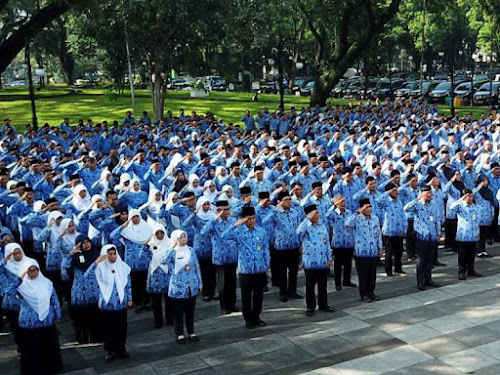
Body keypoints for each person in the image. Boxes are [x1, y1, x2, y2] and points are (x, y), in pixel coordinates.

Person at [222, 206, 269, 329]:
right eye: (248, 219)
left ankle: (257, 317)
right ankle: (248, 319)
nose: (251, 221)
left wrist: (266, 264)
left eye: (253, 218)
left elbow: (265, 249)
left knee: (259, 296)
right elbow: (224, 236)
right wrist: (236, 224)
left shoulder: (261, 231)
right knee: (246, 296)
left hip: (259, 268)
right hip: (246, 270)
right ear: (244, 219)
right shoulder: (239, 232)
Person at [17, 263, 62, 375]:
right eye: (29, 271)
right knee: (31, 349)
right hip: (29, 324)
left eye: (35, 270)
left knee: (47, 348)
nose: (32, 273)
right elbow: (8, 292)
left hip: (46, 322)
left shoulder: (46, 283)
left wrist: (57, 314)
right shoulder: (21, 285)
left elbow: (54, 299)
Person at [90, 244, 132, 362]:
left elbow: (128, 284)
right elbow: (87, 275)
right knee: (108, 329)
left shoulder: (122, 267)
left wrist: (129, 298)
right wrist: (97, 262)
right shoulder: (100, 268)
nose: (113, 256)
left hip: (120, 304)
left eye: (114, 254)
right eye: (109, 254)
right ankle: (110, 350)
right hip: (107, 305)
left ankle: (121, 349)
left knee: (121, 327)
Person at [201, 200, 239, 314]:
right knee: (223, 283)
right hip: (220, 258)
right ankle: (224, 307)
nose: (227, 211)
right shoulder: (214, 222)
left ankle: (232, 305)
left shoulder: (232, 221)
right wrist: (214, 219)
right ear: (218, 211)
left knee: (232, 282)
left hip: (232, 255)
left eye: (228, 209)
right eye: (224, 209)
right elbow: (203, 232)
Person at [111, 209, 152, 312]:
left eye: (137, 216)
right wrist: (122, 226)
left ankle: (147, 302)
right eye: (133, 217)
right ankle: (138, 303)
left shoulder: (146, 228)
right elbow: (113, 236)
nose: (136, 219)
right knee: (135, 284)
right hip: (131, 263)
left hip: (145, 261)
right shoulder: (126, 231)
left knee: (145, 282)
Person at [297, 204, 334, 316]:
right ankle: (310, 306)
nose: (317, 215)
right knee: (310, 286)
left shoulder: (322, 226)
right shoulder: (305, 226)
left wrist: (329, 258)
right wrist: (307, 219)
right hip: (310, 262)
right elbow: (298, 233)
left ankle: (323, 304)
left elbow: (327, 243)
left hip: (322, 261)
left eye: (317, 213)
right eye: (314, 213)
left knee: (323, 285)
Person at [62, 234, 100, 344]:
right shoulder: (74, 258)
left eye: (87, 241)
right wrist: (71, 253)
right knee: (81, 319)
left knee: (95, 317)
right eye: (83, 243)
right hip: (80, 294)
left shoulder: (96, 254)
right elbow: (64, 269)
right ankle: (82, 339)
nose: (86, 244)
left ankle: (96, 337)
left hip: (94, 292)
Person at [166, 230, 202, 344]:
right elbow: (163, 261)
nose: (184, 239)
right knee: (178, 313)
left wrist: (199, 283)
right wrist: (172, 248)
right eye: (181, 237)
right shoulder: (172, 252)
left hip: (191, 286)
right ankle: (180, 334)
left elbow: (196, 266)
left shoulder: (191, 250)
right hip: (178, 287)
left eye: (184, 237)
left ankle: (191, 332)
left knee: (190, 312)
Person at [404, 185, 441, 290]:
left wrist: (438, 233)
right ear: (422, 194)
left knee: (429, 260)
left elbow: (437, 220)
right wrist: (416, 199)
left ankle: (428, 279)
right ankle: (420, 281)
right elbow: (406, 209)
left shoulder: (434, 205)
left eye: (430, 193)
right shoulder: (417, 205)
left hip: (432, 235)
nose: (429, 195)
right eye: (427, 193)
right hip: (421, 236)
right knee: (421, 260)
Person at [346, 198, 383, 302]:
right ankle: (364, 294)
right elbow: (347, 223)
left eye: (369, 207)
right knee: (363, 275)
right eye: (366, 207)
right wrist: (357, 212)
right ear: (361, 208)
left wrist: (380, 247)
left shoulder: (375, 218)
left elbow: (378, 234)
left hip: (373, 251)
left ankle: (371, 292)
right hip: (361, 251)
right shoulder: (357, 218)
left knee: (372, 274)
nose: (368, 209)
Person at [449, 188, 482, 280]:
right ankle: (462, 271)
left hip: (473, 235)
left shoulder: (474, 206)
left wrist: (478, 232)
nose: (471, 198)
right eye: (468, 196)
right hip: (463, 235)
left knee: (471, 255)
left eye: (472, 196)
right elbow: (451, 207)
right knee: (462, 255)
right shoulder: (460, 206)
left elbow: (477, 221)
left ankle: (471, 270)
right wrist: (461, 199)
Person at [146, 223, 174, 328]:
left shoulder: (170, 243)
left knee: (169, 300)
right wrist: (147, 243)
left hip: (166, 274)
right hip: (155, 276)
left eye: (161, 233)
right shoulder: (150, 244)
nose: (159, 235)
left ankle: (170, 319)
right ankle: (158, 321)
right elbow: (142, 254)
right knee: (156, 301)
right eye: (157, 233)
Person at [326, 195, 356, 291]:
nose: (342, 204)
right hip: (338, 243)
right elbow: (326, 216)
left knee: (348, 263)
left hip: (348, 242)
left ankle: (347, 280)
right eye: (340, 202)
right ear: (336, 203)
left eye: (343, 201)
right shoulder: (333, 214)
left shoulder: (349, 212)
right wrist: (333, 206)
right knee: (338, 265)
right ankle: (337, 283)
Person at [377, 183, 408, 276]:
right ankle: (388, 269)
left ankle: (398, 268)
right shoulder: (385, 201)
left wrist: (404, 227)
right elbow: (378, 200)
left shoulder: (399, 201)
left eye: (396, 190)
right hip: (389, 231)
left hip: (399, 230)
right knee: (389, 252)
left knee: (399, 252)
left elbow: (403, 215)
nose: (396, 192)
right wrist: (387, 193)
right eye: (394, 191)